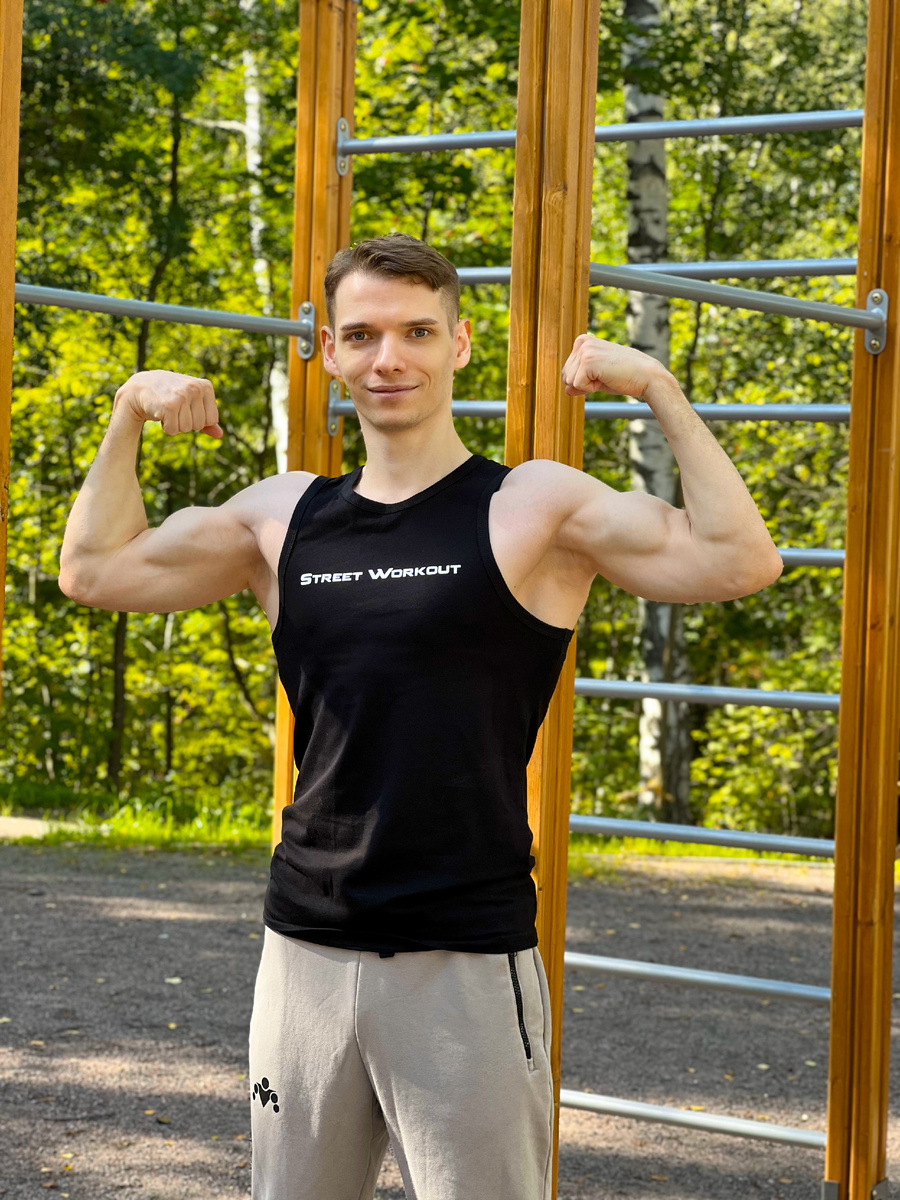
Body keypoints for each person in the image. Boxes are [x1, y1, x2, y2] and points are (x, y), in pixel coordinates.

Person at [59, 232, 782, 1199]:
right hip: (305, 951)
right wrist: (126, 412)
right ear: (329, 352)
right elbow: (94, 571)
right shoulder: (283, 517)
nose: (388, 358)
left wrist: (659, 389)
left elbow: (740, 560)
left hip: (464, 957)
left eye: (417, 332)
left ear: (460, 343)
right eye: (361, 335)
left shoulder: (531, 506)